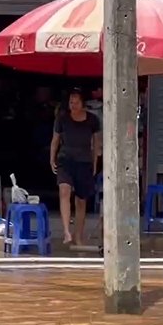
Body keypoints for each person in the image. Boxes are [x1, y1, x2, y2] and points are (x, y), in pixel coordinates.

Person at [51, 88, 101, 246]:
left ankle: (78, 235)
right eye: (71, 102)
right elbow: (55, 140)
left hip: (84, 162)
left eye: (76, 102)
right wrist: (52, 158)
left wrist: (94, 163)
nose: (73, 105)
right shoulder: (62, 118)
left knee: (81, 200)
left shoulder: (92, 120)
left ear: (83, 103)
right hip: (65, 160)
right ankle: (66, 231)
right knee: (64, 191)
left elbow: (96, 143)